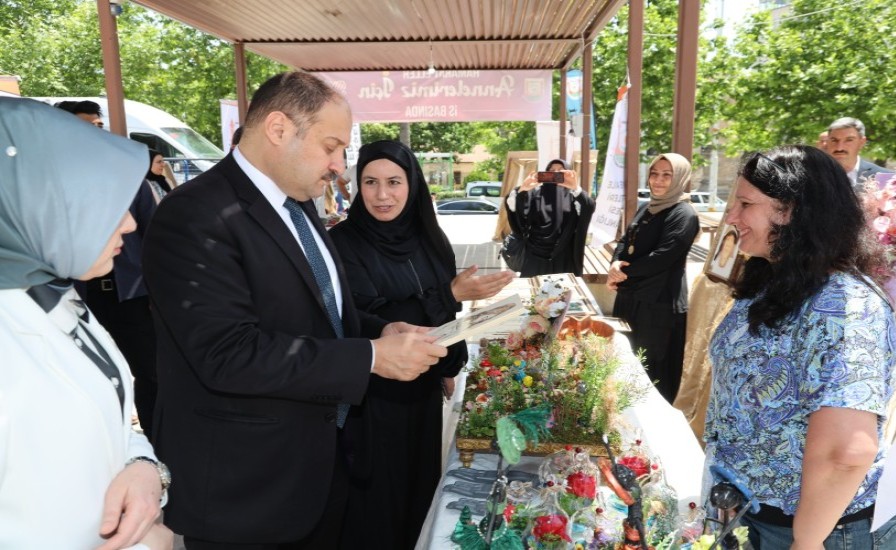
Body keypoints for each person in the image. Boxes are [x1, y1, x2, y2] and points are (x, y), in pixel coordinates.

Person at [141, 71, 448, 548]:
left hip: (324, 468)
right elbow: (227, 354)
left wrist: (383, 330)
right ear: (280, 129)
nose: (338, 167)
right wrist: (370, 357)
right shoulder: (195, 214)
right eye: (331, 147)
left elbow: (322, 315)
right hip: (248, 491)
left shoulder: (298, 203)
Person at [705, 145, 896, 549]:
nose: (731, 217)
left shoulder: (844, 307)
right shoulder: (773, 279)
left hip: (817, 532)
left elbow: (845, 452)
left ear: (793, 211)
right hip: (757, 516)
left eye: (745, 204)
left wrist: (805, 543)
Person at [0, 98, 172, 548]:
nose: (132, 223)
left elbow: (108, 419)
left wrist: (145, 470)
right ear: (34, 207)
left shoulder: (50, 294)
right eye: (104, 203)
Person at [329, 139, 514, 548]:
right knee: (377, 506)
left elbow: (447, 319)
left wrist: (450, 365)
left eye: (394, 181)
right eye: (371, 182)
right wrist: (448, 293)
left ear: (412, 184)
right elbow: (365, 320)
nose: (382, 195)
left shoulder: (430, 238)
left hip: (422, 397)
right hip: (373, 401)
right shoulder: (344, 243)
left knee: (421, 496)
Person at [56, 99, 162, 433]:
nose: (96, 131)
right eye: (87, 124)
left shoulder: (127, 174)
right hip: (74, 298)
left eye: (99, 125)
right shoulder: (46, 177)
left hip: (131, 296)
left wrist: (156, 293)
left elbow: (156, 236)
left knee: (152, 373)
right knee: (84, 376)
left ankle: (157, 446)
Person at [608, 153, 699, 403]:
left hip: (659, 306)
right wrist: (615, 262)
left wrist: (623, 272)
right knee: (626, 364)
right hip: (632, 298)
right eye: (654, 173)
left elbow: (663, 256)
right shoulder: (647, 207)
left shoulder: (683, 214)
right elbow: (626, 240)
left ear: (680, 178)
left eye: (667, 175)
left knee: (652, 375)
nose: (658, 181)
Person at [505, 157, 595, 276]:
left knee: (562, 292)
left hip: (564, 255)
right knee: (533, 291)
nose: (555, 173)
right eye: (551, 170)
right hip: (534, 255)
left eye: (560, 170)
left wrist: (575, 188)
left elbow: (589, 207)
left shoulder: (573, 195)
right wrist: (522, 190)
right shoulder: (535, 192)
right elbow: (516, 211)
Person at [827, 117, 893, 186]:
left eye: (849, 140)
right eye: (834, 140)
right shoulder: (815, 174)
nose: (839, 147)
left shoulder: (885, 179)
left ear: (862, 142)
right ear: (827, 142)